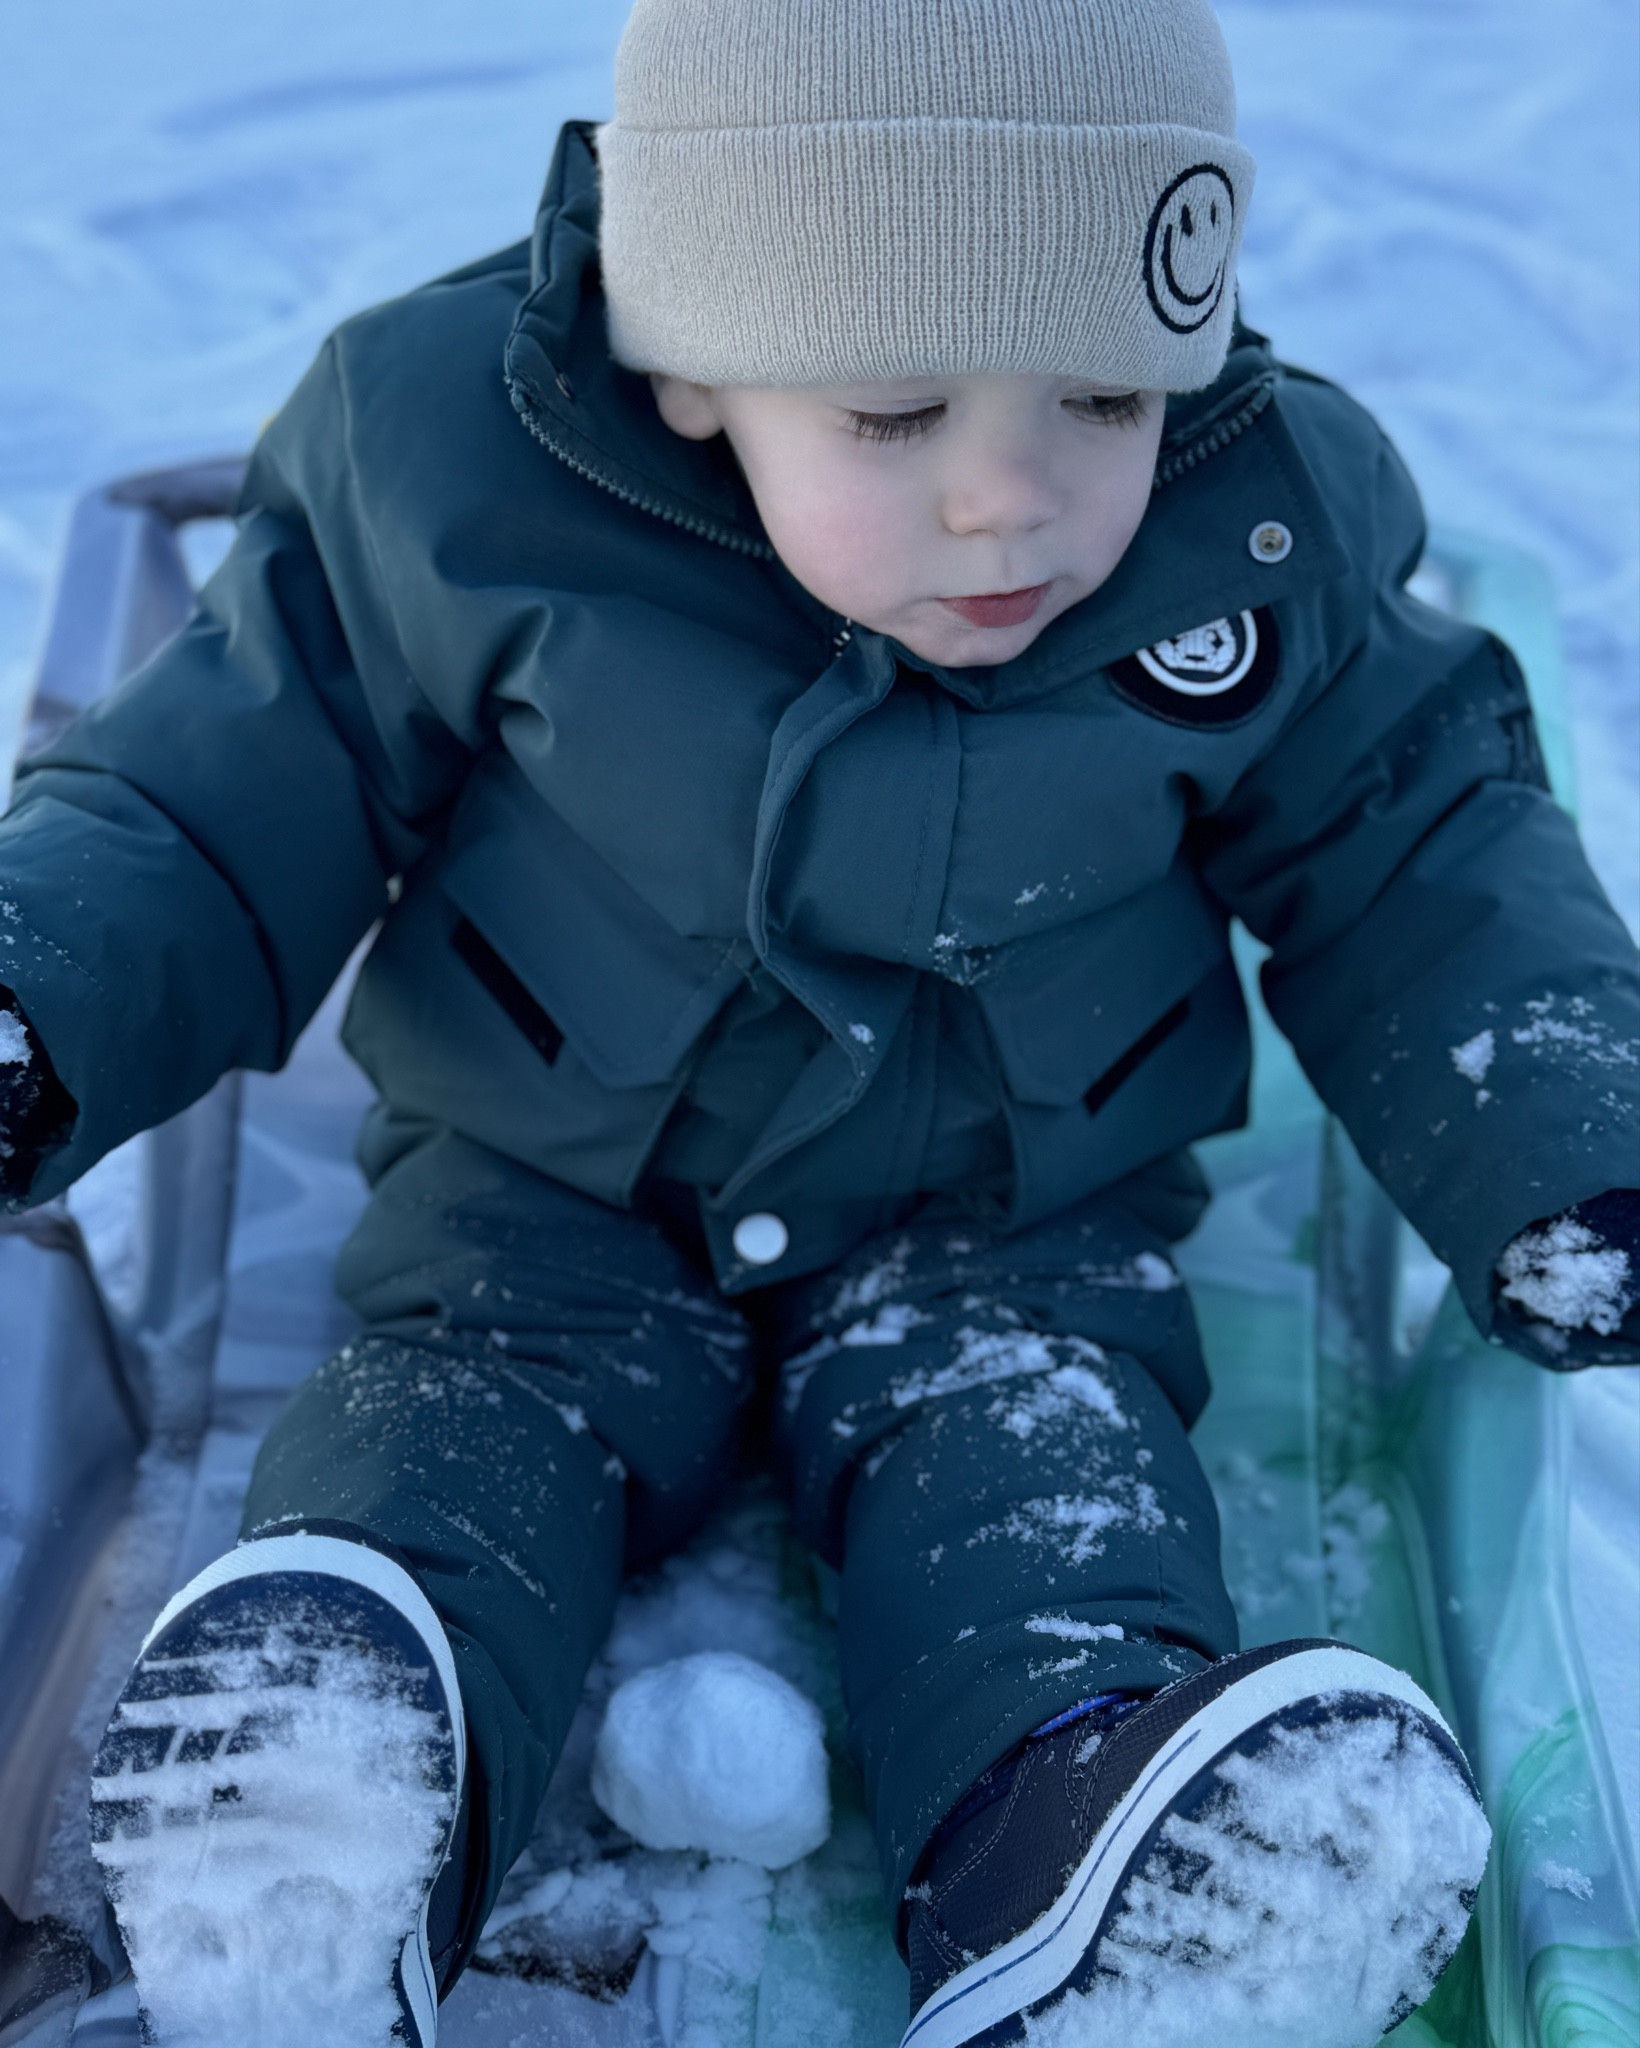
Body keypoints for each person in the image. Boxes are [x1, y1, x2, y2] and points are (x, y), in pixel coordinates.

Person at [2, 0, 1636, 2042]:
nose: (1012, 496)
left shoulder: (1259, 524)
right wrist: (38, 997)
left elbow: (1421, 848)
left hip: (1007, 1198)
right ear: (690, 361)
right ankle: (320, 1812)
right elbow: (215, 794)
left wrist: (1569, 1133)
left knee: (1042, 1463)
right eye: (891, 412)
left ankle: (1078, 1851)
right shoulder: (457, 487)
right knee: (465, 1422)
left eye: (1106, 391)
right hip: (552, 1174)